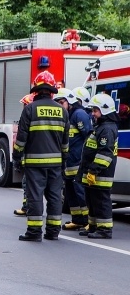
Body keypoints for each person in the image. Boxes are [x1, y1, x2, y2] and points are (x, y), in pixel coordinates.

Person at [12, 71, 69, 242]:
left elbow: (21, 139)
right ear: (52, 91)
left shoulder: (29, 109)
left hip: (34, 163)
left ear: (36, 91)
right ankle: (53, 232)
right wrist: (63, 162)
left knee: (35, 197)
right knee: (54, 197)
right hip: (56, 164)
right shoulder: (63, 112)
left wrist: (17, 158)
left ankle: (34, 232)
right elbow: (65, 143)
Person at [78, 93, 119, 239]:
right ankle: (94, 227)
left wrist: (94, 170)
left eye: (96, 111)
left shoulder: (106, 129)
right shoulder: (101, 127)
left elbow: (105, 154)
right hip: (94, 173)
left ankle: (104, 230)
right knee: (92, 200)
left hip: (101, 174)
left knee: (101, 201)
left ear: (105, 110)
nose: (93, 114)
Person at [54, 89, 91, 230]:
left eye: (61, 102)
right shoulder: (65, 116)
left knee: (81, 192)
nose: (59, 105)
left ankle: (88, 221)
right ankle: (77, 219)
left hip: (78, 162)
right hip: (68, 164)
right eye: (57, 103)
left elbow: (88, 137)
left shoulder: (79, 114)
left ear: (69, 102)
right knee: (70, 193)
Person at [13, 93, 35, 217]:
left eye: (25, 105)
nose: (23, 108)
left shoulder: (28, 119)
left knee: (28, 183)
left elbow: (22, 140)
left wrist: (16, 156)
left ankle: (28, 207)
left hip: (32, 160)